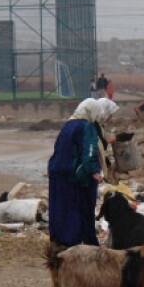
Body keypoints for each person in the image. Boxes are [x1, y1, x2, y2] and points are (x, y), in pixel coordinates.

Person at [47, 99, 104, 249]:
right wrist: (94, 171)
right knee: (78, 208)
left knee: (59, 208)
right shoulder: (86, 126)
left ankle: (58, 239)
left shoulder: (68, 124)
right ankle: (74, 241)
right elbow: (89, 150)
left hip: (57, 171)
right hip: (73, 176)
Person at [95, 98, 120, 181]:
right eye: (110, 114)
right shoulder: (94, 125)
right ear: (104, 112)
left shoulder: (100, 125)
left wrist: (108, 165)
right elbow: (97, 148)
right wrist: (107, 141)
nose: (111, 117)